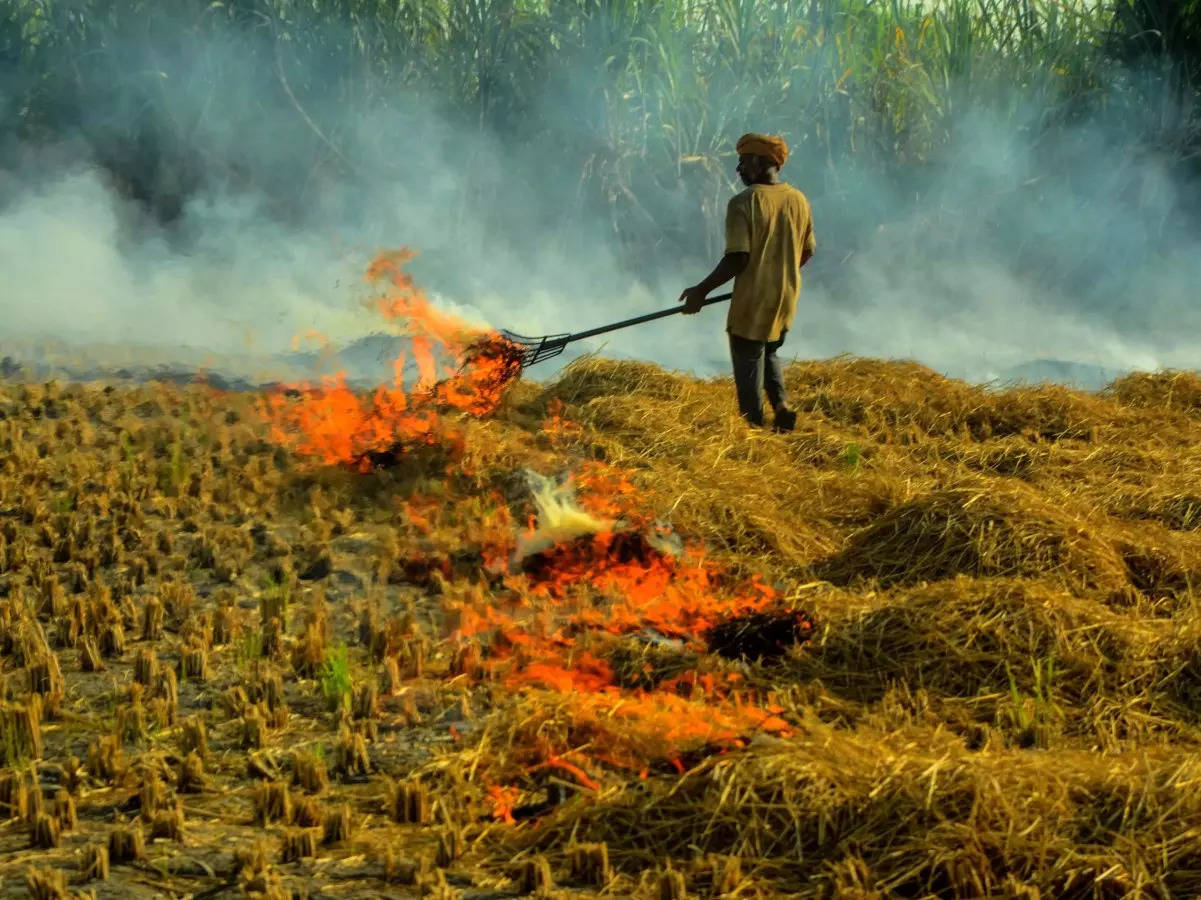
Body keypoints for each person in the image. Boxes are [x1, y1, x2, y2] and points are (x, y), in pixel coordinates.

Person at [679, 132, 816, 432]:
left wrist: (700, 292)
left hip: (753, 301)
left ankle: (753, 427)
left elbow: (737, 258)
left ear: (759, 161)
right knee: (770, 349)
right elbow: (806, 252)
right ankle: (781, 405)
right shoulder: (799, 200)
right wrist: (778, 273)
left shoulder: (744, 202)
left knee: (748, 359)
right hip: (785, 298)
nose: (739, 169)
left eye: (742, 161)